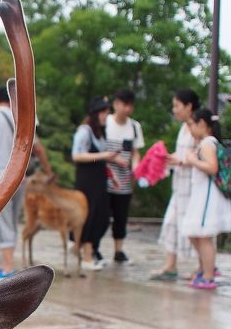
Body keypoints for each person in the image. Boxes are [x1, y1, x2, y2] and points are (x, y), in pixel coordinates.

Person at [0, 86, 54, 281]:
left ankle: (8, 269)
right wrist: (48, 171)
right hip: (20, 178)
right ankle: (9, 266)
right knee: (12, 222)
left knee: (3, 223)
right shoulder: (22, 118)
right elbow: (38, 149)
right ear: (10, 100)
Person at [151, 88, 200, 281]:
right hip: (179, 185)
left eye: (177, 106)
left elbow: (202, 154)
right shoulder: (183, 127)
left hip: (192, 186)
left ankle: (204, 267)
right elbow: (182, 155)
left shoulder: (197, 127)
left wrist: (180, 161)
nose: (174, 110)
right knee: (171, 223)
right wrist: (171, 159)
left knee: (193, 228)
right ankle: (170, 265)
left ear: (189, 106)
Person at [181, 108, 231, 290]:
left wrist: (192, 160)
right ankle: (205, 269)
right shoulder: (207, 143)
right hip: (202, 195)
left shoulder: (208, 143)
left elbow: (212, 167)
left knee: (203, 235)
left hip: (207, 197)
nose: (190, 129)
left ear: (202, 124)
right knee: (194, 233)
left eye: (192, 125)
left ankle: (208, 275)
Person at [71, 97, 122, 270]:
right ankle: (86, 256)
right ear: (95, 113)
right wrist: (104, 156)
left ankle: (83, 249)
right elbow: (76, 155)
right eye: (103, 112)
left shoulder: (100, 132)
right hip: (87, 181)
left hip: (99, 181)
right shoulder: (84, 131)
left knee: (103, 216)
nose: (106, 115)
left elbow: (102, 159)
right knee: (90, 216)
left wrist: (111, 175)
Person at [105, 88, 144, 264]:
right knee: (101, 216)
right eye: (124, 105)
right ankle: (94, 248)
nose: (127, 109)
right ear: (115, 104)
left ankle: (118, 250)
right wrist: (114, 159)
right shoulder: (105, 123)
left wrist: (136, 166)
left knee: (121, 216)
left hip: (125, 180)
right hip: (105, 178)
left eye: (130, 105)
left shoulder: (135, 126)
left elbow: (136, 152)